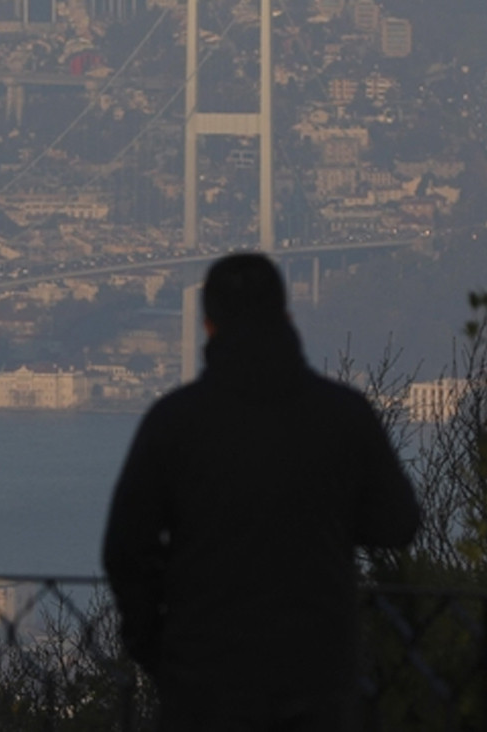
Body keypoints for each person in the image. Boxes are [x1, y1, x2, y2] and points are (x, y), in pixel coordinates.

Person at [102, 253, 420, 731]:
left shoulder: (174, 422)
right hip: (316, 676)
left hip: (202, 680)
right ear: (287, 317)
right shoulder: (343, 415)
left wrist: (156, 648)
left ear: (207, 325)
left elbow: (125, 549)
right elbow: (398, 523)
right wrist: (326, 518)